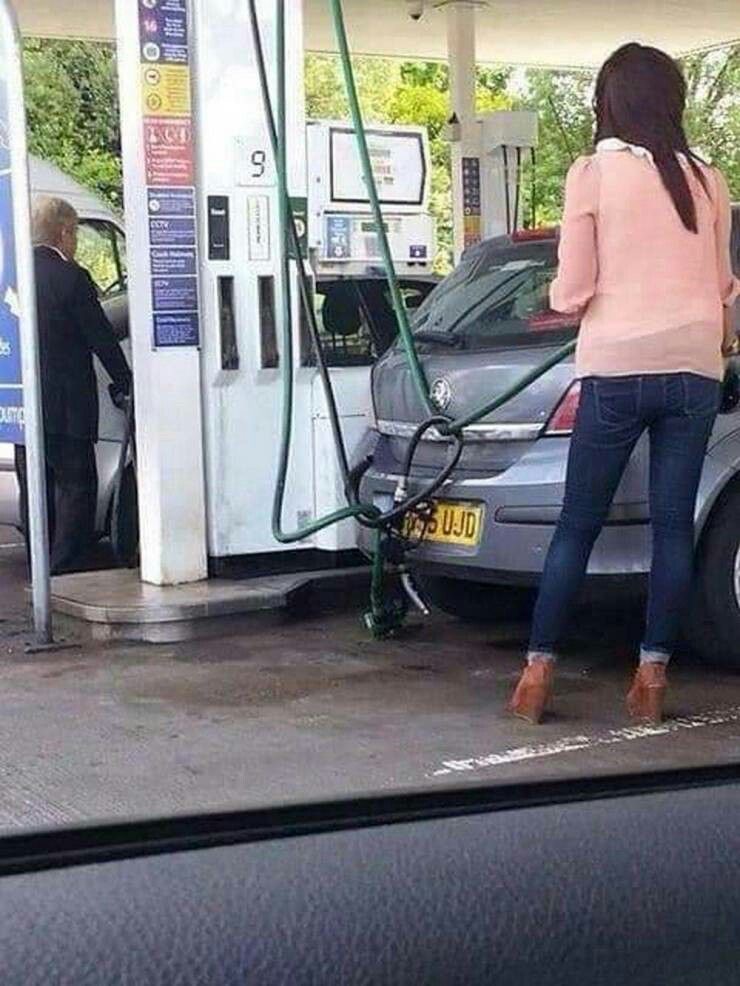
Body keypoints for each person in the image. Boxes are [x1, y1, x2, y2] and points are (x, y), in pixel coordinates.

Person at [508, 43, 739, 725]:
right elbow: (726, 288)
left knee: (577, 526)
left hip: (615, 370)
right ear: (672, 101)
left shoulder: (594, 174)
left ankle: (536, 679)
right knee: (673, 530)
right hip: (695, 369)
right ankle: (651, 681)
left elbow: (575, 287)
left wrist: (555, 299)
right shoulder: (710, 180)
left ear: (609, 104)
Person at [15, 196, 131, 575]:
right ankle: (65, 567)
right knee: (76, 484)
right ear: (65, 231)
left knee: (35, 484)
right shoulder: (71, 277)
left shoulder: (11, 274)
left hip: (22, 403)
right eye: (75, 233)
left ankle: (39, 561)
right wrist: (125, 381)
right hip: (67, 404)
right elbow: (101, 337)